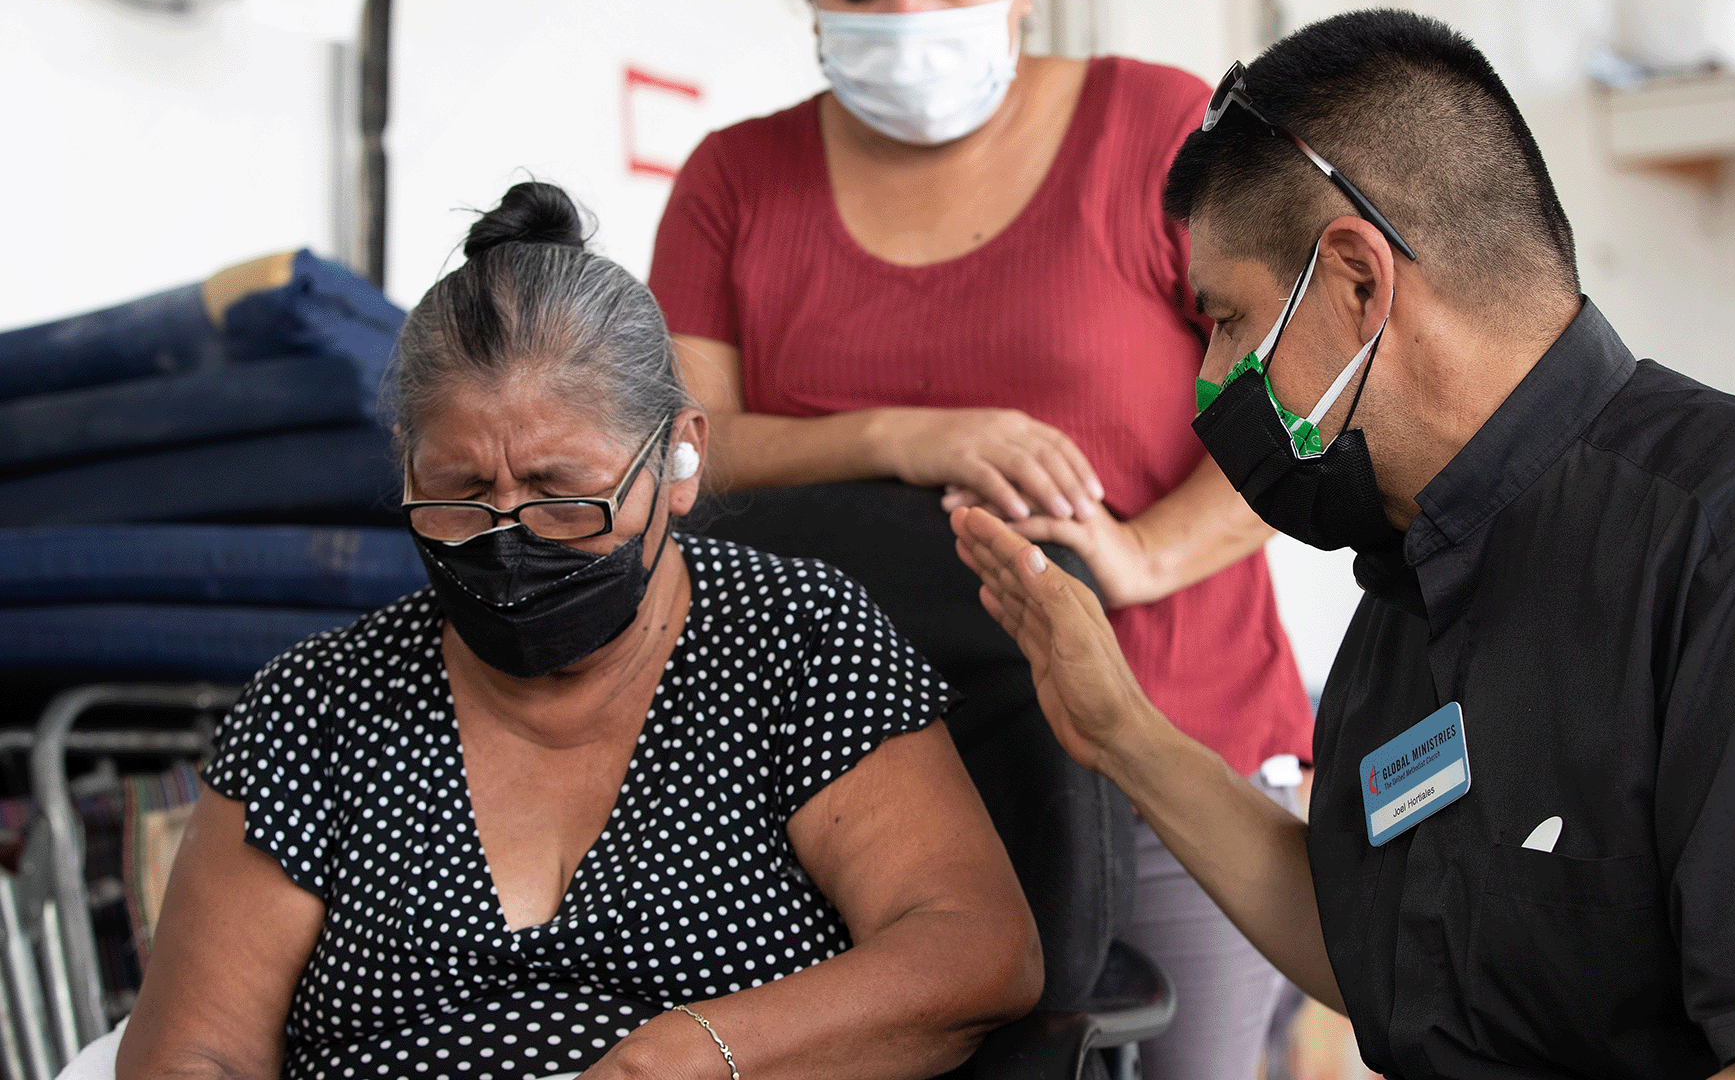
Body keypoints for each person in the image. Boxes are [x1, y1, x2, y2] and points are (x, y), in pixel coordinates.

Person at [954, 9, 1735, 1078]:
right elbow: (1373, 949)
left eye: (1226, 321)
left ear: (1360, 280)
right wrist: (1119, 727)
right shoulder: (1407, 589)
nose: (1210, 378)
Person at [647, 0, 1313, 1072]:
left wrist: (1144, 557)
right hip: (848, 793)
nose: (905, 11)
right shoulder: (736, 184)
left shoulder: (1160, 134)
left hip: (1173, 755)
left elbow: (1304, 404)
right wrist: (904, 434)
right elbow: (684, 457)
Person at [114, 182, 1041, 1080]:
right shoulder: (313, 710)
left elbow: (974, 947)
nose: (510, 544)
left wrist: (682, 1058)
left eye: (564, 498)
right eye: (461, 495)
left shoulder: (793, 640)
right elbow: (194, 1053)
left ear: (681, 458)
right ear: (405, 465)